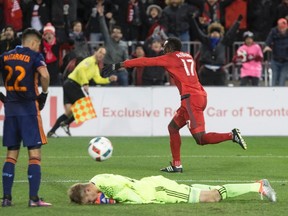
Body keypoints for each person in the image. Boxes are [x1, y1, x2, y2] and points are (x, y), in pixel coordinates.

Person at [102, 37, 247, 173]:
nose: (163, 50)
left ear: (170, 48)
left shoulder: (170, 58)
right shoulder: (188, 56)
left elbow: (145, 62)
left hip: (191, 99)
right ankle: (176, 165)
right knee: (173, 128)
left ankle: (231, 135)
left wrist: (120, 64)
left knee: (200, 139)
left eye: (164, 47)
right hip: (197, 96)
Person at [0, 28, 51, 207]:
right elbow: (44, 75)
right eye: (38, 44)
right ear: (33, 43)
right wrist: (44, 94)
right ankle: (34, 199)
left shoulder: (5, 56)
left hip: (11, 110)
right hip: (29, 110)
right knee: (34, 155)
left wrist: (2, 96)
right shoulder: (34, 57)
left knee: (11, 155)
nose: (39, 48)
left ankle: (6, 198)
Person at [68, 174, 276, 204]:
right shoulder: (96, 179)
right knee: (206, 189)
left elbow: (139, 200)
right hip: (155, 184)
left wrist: (114, 201)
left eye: (90, 200)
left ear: (87, 191)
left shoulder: (110, 188)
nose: (94, 201)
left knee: (212, 197)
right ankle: (257, 185)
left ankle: (258, 186)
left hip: (159, 190)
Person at [47, 46, 117, 138]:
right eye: (100, 52)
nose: (101, 55)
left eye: (103, 54)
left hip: (69, 84)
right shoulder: (90, 61)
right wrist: (85, 83)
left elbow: (98, 79)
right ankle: (66, 123)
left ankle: (51, 132)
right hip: (72, 84)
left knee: (69, 112)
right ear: (95, 52)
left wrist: (108, 79)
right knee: (85, 108)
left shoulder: (95, 66)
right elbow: (80, 70)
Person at [191, 14, 242, 86]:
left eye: (217, 32)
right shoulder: (205, 40)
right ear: (210, 34)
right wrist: (192, 20)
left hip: (219, 71)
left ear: (220, 34)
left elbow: (231, 33)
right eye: (213, 32)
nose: (215, 34)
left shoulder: (223, 42)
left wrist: (237, 23)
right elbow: (197, 31)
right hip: (206, 70)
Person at [97, 4, 130, 86]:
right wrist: (101, 16)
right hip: (108, 69)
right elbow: (103, 28)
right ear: (111, 34)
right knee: (107, 85)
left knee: (124, 78)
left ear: (121, 35)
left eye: (118, 33)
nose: (116, 34)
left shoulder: (124, 45)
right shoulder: (108, 41)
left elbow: (126, 59)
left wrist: (124, 66)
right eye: (114, 32)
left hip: (120, 69)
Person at [263, 18, 288, 86]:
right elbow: (267, 41)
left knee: (282, 80)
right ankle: (273, 95)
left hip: (286, 61)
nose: (282, 30)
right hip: (275, 60)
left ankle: (280, 95)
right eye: (281, 28)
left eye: (284, 28)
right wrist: (266, 46)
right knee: (273, 80)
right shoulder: (273, 31)